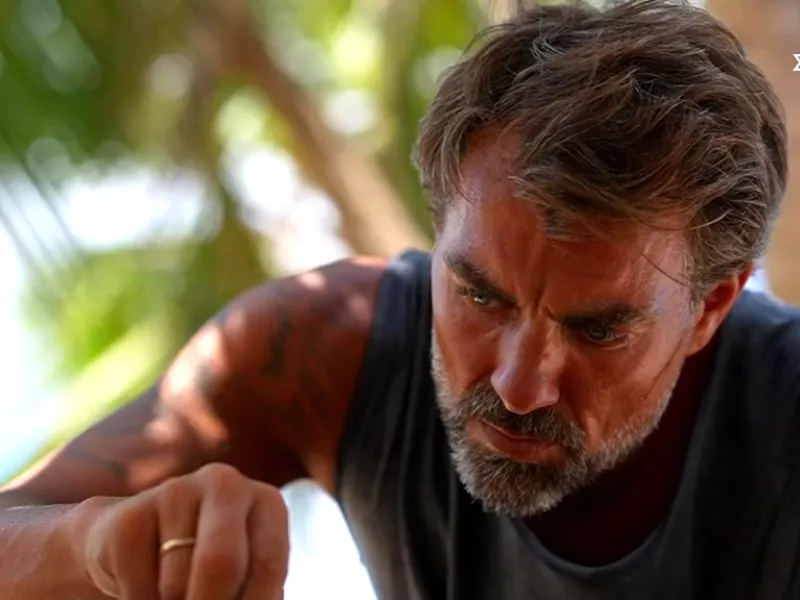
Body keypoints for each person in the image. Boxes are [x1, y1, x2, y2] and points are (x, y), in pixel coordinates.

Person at [1, 0, 796, 597]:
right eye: (480, 295)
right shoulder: (322, 348)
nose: (518, 386)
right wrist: (95, 544)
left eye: (597, 331)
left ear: (711, 306)